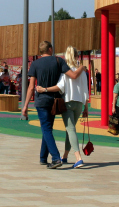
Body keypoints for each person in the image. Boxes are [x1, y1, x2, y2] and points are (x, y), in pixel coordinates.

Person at [21, 41, 85, 169]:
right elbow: (73, 75)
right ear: (50, 49)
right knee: (47, 127)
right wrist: (82, 68)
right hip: (54, 100)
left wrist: (25, 105)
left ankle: (56, 158)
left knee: (46, 129)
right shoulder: (58, 61)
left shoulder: (35, 64)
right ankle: (43, 157)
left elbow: (31, 87)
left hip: (41, 100)